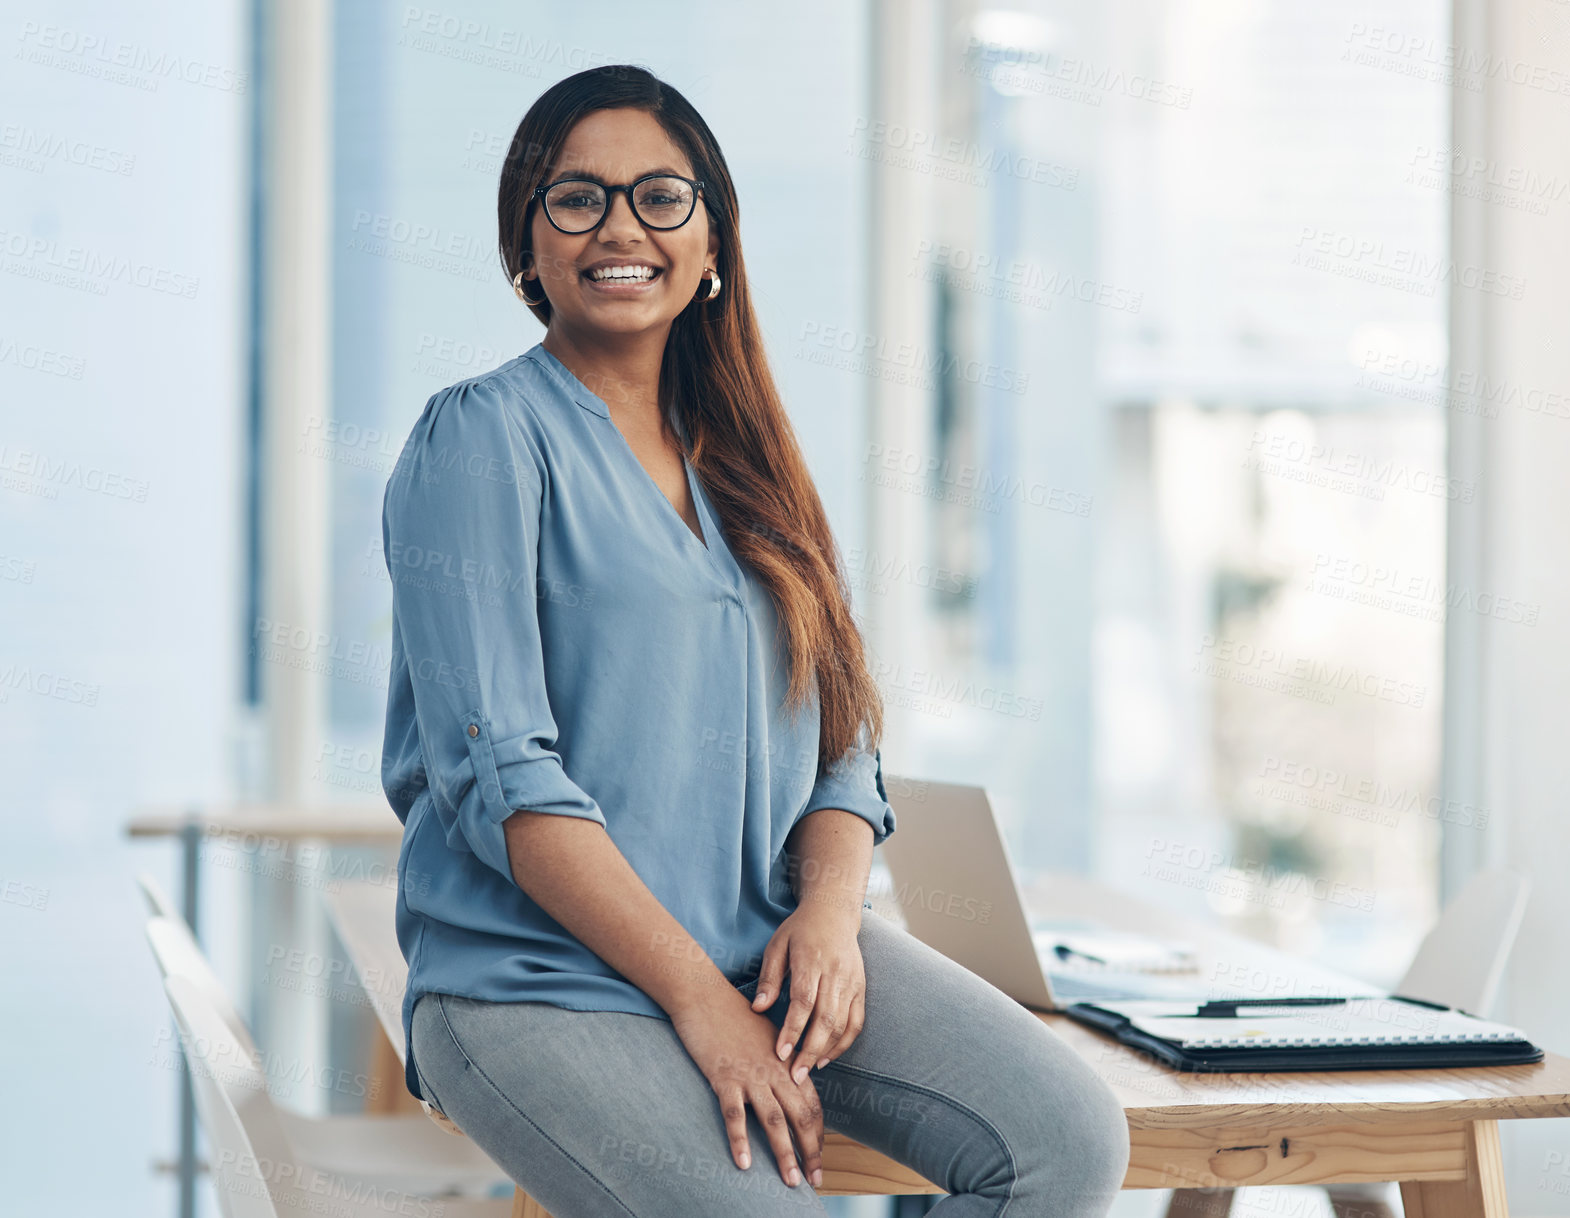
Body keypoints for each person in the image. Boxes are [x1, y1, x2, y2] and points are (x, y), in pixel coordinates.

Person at [380, 62, 1129, 1217]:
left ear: (713, 241)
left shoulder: (753, 458)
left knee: (1069, 1141)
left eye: (660, 196)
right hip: (537, 983)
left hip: (768, 948)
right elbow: (506, 784)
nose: (620, 226)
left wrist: (832, 919)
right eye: (574, 198)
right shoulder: (481, 440)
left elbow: (842, 740)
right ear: (524, 247)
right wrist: (701, 1003)